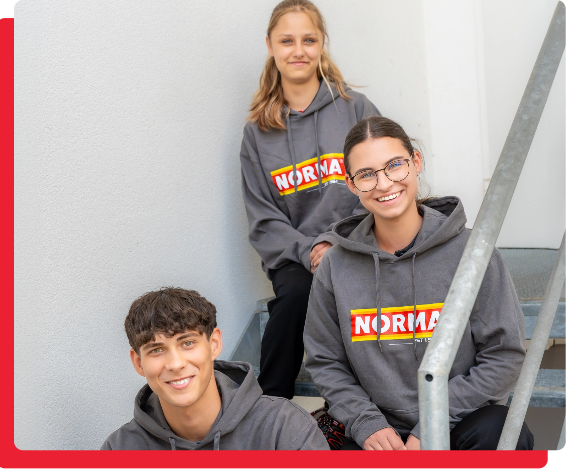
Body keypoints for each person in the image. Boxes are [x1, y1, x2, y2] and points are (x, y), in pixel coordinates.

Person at [303, 116, 534, 450]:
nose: (384, 184)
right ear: (351, 184)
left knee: (501, 431)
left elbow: (504, 355)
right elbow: (325, 361)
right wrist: (366, 423)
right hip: (376, 432)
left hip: (456, 421)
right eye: (366, 174)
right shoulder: (335, 266)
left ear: (416, 162)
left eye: (394, 165)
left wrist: (432, 424)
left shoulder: (473, 253)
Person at [240, 0, 381, 399]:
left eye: (308, 40)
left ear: (322, 44)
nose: (298, 50)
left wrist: (336, 240)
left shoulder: (355, 109)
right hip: (296, 257)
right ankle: (270, 408)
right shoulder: (258, 131)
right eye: (287, 41)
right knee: (296, 294)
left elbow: (379, 181)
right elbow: (263, 216)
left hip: (357, 242)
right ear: (270, 45)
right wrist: (310, 249)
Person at [101, 287, 329, 450]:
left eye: (187, 343)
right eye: (157, 350)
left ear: (214, 344)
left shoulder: (284, 428)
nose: (176, 364)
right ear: (138, 362)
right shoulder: (119, 449)